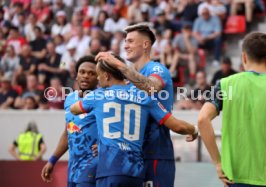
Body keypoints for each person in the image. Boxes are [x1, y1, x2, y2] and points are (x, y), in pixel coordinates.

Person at [70, 57, 198, 187]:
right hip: (135, 172)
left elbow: (74, 109)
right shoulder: (144, 96)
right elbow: (177, 126)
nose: (97, 79)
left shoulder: (97, 95)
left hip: (109, 170)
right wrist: (194, 130)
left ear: (106, 76)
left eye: (98, 75)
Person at [95, 23, 177, 187]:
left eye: (131, 41)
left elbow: (151, 87)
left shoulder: (157, 69)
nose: (126, 45)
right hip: (133, 158)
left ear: (145, 44)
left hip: (155, 153)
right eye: (125, 41)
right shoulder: (127, 81)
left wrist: (119, 65)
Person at [198, 32, 266, 187]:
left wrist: (218, 164)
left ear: (244, 57)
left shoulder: (225, 84)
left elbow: (202, 120)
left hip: (234, 177)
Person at [41, 56, 99, 187]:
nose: (86, 76)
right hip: (73, 166)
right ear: (76, 75)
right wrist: (52, 160)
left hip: (93, 164)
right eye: (82, 72)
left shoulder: (103, 99)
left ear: (99, 77)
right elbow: (68, 131)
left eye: (91, 73)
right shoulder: (69, 99)